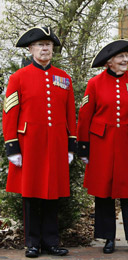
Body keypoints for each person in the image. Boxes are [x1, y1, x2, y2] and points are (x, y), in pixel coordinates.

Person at [2, 27, 76, 258]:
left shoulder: (63, 78)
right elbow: (10, 113)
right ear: (30, 48)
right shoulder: (18, 77)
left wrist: (71, 145)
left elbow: (69, 114)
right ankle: (33, 243)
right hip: (29, 145)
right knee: (31, 194)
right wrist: (12, 146)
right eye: (40, 45)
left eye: (49, 45)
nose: (45, 48)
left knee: (52, 193)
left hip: (55, 145)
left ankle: (51, 242)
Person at [77, 39, 128, 254]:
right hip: (102, 145)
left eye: (127, 56)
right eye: (120, 57)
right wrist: (84, 147)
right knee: (104, 193)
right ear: (109, 61)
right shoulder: (95, 83)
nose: (125, 60)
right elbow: (85, 116)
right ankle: (108, 238)